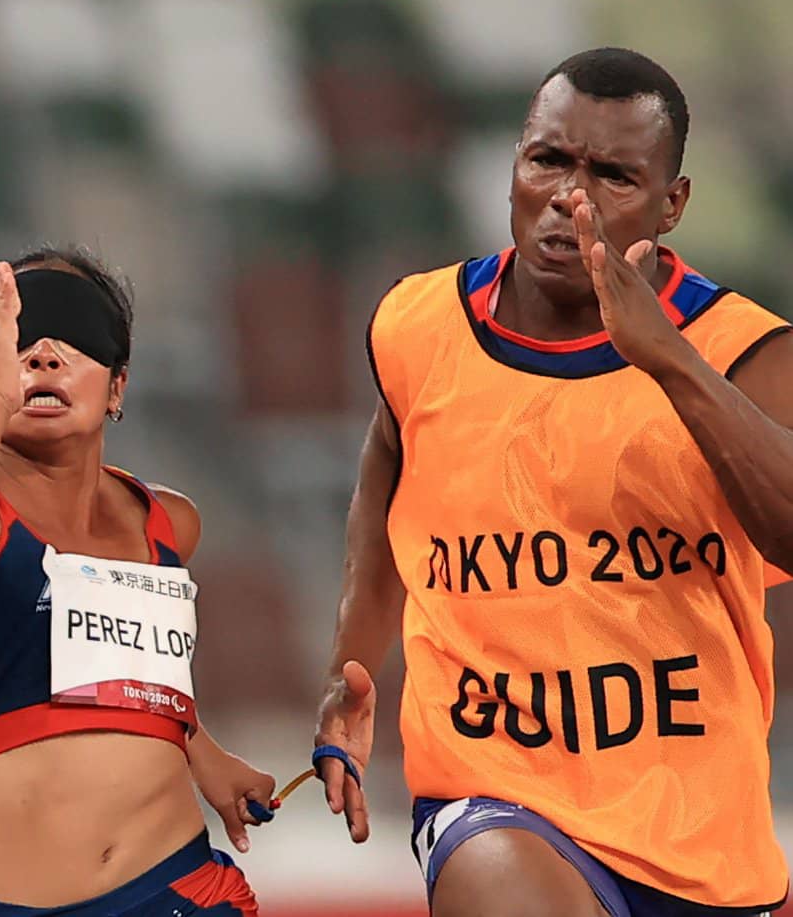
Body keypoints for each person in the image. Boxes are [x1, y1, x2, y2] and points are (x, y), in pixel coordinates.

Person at [313, 47, 793, 917]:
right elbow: (384, 476)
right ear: (514, 164)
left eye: (613, 175)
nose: (570, 198)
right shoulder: (416, 327)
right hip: (494, 793)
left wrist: (669, 362)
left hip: (696, 833)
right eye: (547, 160)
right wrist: (350, 671)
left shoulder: (742, 349)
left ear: (670, 203)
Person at [0, 247, 274, 916]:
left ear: (117, 386)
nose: (44, 355)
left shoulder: (168, 523)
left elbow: (116, 663)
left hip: (174, 888)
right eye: (18, 342)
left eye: (76, 334)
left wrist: (200, 748)